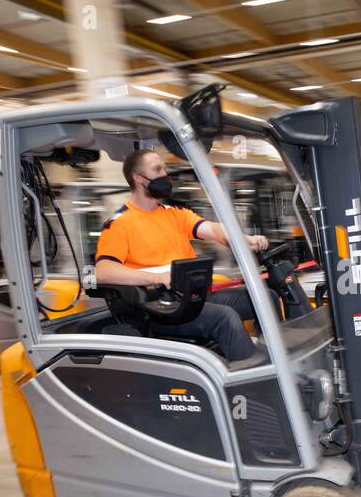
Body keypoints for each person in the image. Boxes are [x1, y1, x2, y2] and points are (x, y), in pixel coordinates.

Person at [94, 148, 269, 361]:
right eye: (157, 170)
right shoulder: (119, 223)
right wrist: (157, 277)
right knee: (225, 318)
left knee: (266, 297)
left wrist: (243, 238)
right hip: (162, 308)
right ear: (139, 178)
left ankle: (275, 361)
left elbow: (212, 229)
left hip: (193, 298)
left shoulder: (174, 214)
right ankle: (253, 385)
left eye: (165, 169)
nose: (165, 175)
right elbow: (103, 271)